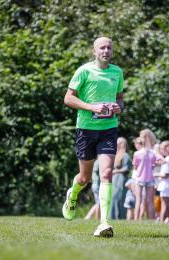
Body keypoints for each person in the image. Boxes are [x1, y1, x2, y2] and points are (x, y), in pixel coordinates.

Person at [62, 37, 124, 237]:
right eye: (102, 48)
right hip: (86, 129)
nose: (106, 51)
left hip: (109, 129)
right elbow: (68, 98)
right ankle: (73, 195)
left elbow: (120, 99)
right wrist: (91, 107)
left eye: (109, 47)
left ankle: (104, 223)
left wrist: (118, 108)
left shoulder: (117, 72)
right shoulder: (84, 71)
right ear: (94, 51)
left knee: (107, 174)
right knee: (85, 177)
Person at [132, 137, 157, 220]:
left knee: (138, 200)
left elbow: (135, 167)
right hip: (150, 178)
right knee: (150, 201)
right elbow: (154, 165)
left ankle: (136, 219)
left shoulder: (137, 154)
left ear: (139, 144)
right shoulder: (152, 153)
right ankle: (152, 219)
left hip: (139, 178)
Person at [111, 137, 132, 220]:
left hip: (121, 180)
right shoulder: (115, 155)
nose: (117, 144)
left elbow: (127, 168)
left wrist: (116, 171)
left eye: (119, 143)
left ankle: (120, 217)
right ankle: (112, 217)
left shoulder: (125, 155)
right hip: (114, 180)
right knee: (113, 198)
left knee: (120, 198)